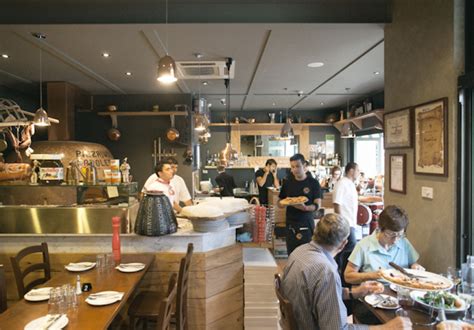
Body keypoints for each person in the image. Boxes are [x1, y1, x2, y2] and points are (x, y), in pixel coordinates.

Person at [281, 213, 411, 330]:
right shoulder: (326, 271)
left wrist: (353, 292)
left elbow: (317, 294)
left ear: (316, 232)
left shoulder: (298, 252)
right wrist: (385, 328)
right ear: (344, 244)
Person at [344, 205, 424, 284]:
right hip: (375, 292)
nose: (395, 240)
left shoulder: (403, 242)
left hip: (401, 291)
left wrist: (415, 267)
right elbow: (348, 276)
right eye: (390, 234)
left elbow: (413, 263)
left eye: (399, 235)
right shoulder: (364, 245)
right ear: (379, 228)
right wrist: (371, 275)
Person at [278, 153, 322, 255]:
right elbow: (279, 202)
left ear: (304, 166)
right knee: (292, 254)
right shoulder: (287, 182)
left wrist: (305, 208)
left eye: (297, 166)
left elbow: (317, 205)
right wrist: (283, 203)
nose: (295, 169)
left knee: (307, 254)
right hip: (290, 224)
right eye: (292, 167)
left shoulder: (313, 183)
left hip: (306, 223)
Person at [333, 162, 359, 272]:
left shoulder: (351, 184)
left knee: (350, 247)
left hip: (351, 222)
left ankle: (343, 273)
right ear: (351, 171)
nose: (358, 173)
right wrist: (341, 222)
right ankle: (338, 270)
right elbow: (336, 203)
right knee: (349, 246)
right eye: (357, 170)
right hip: (345, 222)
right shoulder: (342, 183)